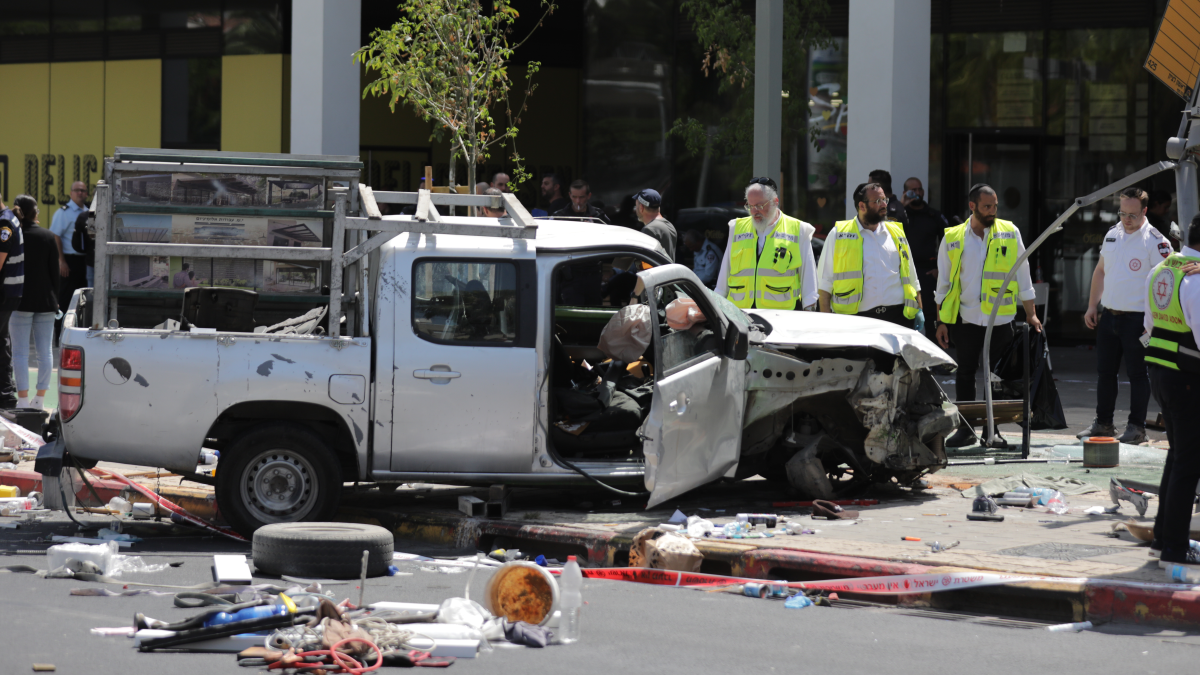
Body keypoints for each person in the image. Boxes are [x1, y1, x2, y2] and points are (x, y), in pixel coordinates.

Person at [935, 183, 1041, 447]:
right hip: (966, 318)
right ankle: (966, 428)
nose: (992, 211)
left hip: (1000, 320)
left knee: (995, 377)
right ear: (972, 206)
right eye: (986, 207)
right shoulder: (952, 237)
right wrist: (941, 321)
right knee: (966, 373)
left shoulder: (1009, 232)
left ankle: (992, 431)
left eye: (995, 206)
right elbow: (944, 284)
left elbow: (1023, 275)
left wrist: (1032, 314)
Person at [1075, 188, 1170, 445]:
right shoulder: (1112, 234)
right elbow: (1100, 271)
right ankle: (1103, 423)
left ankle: (1137, 428)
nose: (1126, 219)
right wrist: (1092, 305)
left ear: (1145, 211)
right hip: (1110, 316)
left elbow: (1167, 286)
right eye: (1122, 213)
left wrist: (1155, 324)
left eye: (1132, 214)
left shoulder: (1156, 242)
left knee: (1139, 376)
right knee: (1105, 373)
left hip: (1139, 320)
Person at [1143, 217, 1200, 568]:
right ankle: (1175, 550)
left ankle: (1162, 539)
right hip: (1188, 379)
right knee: (1188, 464)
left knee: (1177, 457)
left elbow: (1149, 324)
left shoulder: (1163, 269)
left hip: (1160, 374)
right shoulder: (1196, 279)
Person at [817, 182, 920, 326]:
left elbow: (913, 278)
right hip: (856, 321)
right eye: (878, 201)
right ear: (862, 206)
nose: (884, 204)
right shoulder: (838, 234)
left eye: (885, 199)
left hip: (898, 318)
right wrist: (826, 324)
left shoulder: (896, 232)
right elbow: (824, 284)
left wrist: (919, 310)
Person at [716, 178, 817, 310]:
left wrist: (808, 313)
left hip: (781, 316)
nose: (754, 211)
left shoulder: (799, 229)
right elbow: (724, 276)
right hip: (741, 315)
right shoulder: (736, 228)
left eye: (759, 206)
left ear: (775, 202)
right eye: (750, 206)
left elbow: (809, 282)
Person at [10, 195, 55, 410]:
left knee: (19, 353)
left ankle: (22, 400)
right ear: (36, 212)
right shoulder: (47, 236)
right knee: (44, 352)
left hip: (18, 300)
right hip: (45, 301)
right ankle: (40, 400)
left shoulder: (13, 235)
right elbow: (55, 274)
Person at [902, 177, 947, 340]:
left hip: (927, 272)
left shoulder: (933, 215)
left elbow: (949, 242)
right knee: (907, 313)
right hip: (905, 274)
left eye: (920, 189)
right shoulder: (902, 215)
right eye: (913, 190)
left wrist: (939, 269)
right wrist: (902, 207)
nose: (918, 193)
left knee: (929, 314)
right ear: (906, 192)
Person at [50, 181, 89, 337]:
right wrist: (61, 261)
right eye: (77, 190)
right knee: (65, 299)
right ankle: (60, 334)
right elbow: (55, 236)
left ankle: (78, 334)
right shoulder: (63, 213)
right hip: (68, 261)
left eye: (83, 190)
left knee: (83, 300)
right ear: (71, 193)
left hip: (85, 262)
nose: (80, 193)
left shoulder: (88, 212)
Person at [0, 195, 24, 409]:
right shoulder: (8, 218)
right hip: (9, 292)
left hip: (5, 292)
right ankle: (5, 393)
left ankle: (6, 393)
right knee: (2, 340)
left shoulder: (4, 223)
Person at [632, 189, 677, 263]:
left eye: (636, 206)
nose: (635, 209)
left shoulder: (649, 229)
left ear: (641, 208)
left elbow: (645, 262)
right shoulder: (669, 225)